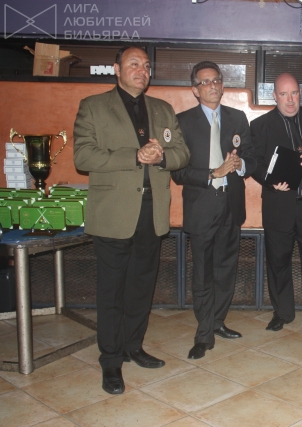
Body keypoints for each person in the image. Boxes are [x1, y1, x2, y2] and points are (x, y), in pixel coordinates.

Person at [74, 46, 190, 394]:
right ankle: (110, 360)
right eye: (134, 64)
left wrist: (161, 157)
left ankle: (133, 346)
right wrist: (135, 156)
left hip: (151, 213)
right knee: (112, 291)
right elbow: (83, 156)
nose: (143, 71)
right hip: (114, 213)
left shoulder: (163, 109)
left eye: (147, 66)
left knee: (141, 286)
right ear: (116, 69)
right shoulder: (94, 106)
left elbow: (183, 153)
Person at [171, 61, 256, 359]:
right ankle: (203, 333)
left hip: (231, 206)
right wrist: (213, 172)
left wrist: (240, 164)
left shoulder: (237, 118)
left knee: (225, 271)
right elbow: (177, 172)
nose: (213, 85)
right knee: (203, 274)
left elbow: (252, 158)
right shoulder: (182, 122)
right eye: (205, 82)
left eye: (216, 80)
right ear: (195, 90)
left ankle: (217, 321)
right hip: (201, 208)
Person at [250, 73, 302, 334]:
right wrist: (269, 181)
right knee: (278, 263)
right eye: (284, 94)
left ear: (300, 93)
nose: (290, 100)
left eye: (294, 93)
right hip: (279, 206)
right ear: (274, 96)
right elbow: (254, 162)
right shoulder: (260, 126)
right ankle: (282, 313)